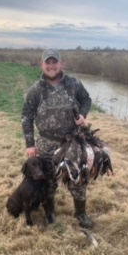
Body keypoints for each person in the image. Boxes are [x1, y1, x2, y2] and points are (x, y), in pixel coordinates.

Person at [21, 48, 93, 228]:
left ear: (62, 64)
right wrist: (30, 144)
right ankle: (50, 211)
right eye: (48, 62)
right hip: (46, 143)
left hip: (72, 143)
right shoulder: (35, 90)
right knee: (48, 180)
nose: (51, 66)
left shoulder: (74, 84)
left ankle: (80, 212)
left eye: (55, 62)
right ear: (42, 65)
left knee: (78, 178)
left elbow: (87, 100)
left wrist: (83, 114)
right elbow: (27, 117)